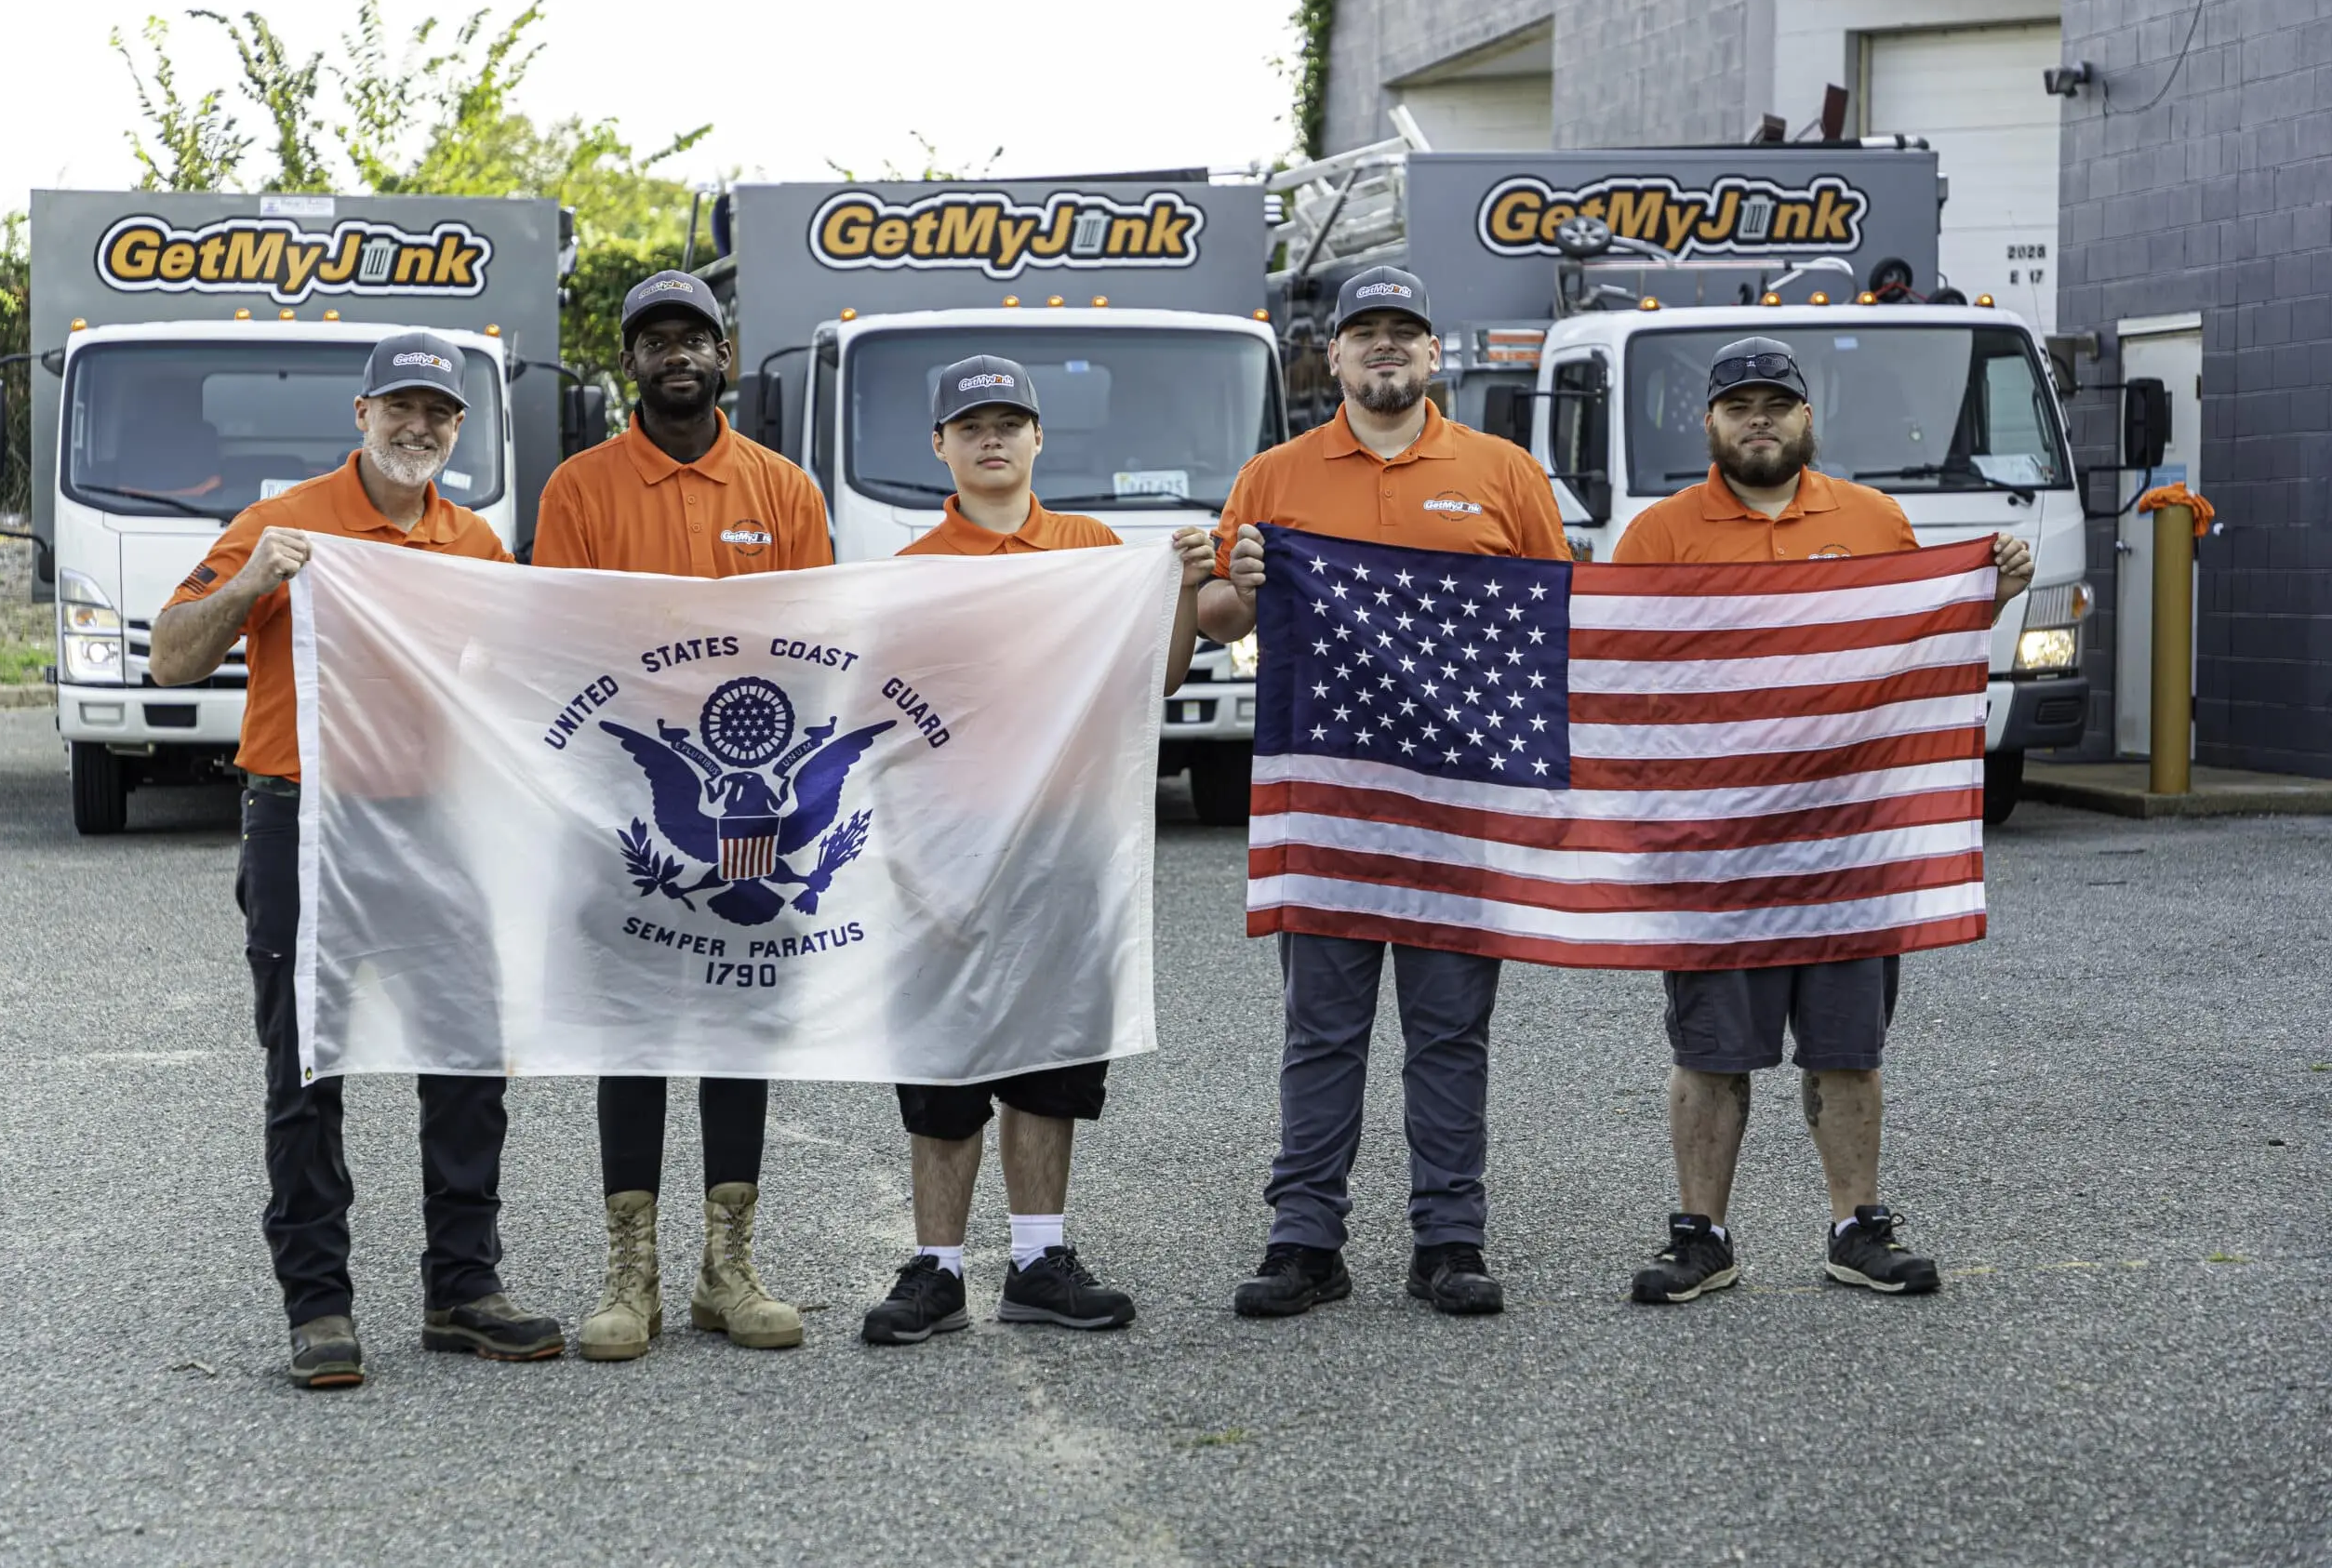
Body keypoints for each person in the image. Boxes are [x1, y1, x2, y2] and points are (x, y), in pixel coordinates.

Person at [149, 331, 563, 1390]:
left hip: (437, 824)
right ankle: (319, 1306)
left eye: (438, 412)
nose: (417, 427)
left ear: (459, 427)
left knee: (469, 1054)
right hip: (305, 820)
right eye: (400, 408)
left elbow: (510, 685)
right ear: (362, 415)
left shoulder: (475, 542)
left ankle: (463, 1287)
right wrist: (251, 580)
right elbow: (173, 651)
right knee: (305, 1063)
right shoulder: (284, 524)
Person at [1610, 335, 2032, 1304]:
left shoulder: (1874, 520)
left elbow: (1915, 652)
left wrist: (1987, 592)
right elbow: (1620, 681)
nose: (1757, 420)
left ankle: (1856, 1227)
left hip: (1850, 841)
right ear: (1707, 423)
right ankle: (1700, 1235)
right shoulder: (1659, 535)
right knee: (1710, 1051)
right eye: (1737, 406)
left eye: (1775, 404)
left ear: (1807, 418)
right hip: (1719, 849)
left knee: (1849, 1049)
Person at [1198, 267, 1574, 1320]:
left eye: (1404, 331)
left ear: (1433, 353)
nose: (1386, 349)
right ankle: (1303, 1240)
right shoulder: (1273, 475)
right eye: (1366, 334)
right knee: (1322, 1031)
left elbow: (1556, 621)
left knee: (1450, 1030)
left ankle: (1448, 1239)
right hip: (1327, 798)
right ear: (1334, 358)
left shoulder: (1503, 472)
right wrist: (1241, 584)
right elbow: (1222, 618)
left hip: (1460, 801)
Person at [860, 353, 1215, 1346]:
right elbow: (876, 734)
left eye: (1009, 421)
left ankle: (1036, 1259)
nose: (991, 437)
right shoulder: (912, 577)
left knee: (1049, 1058)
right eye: (970, 423)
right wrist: (902, 862)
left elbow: (1158, 679)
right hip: (948, 848)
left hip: (1066, 843)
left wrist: (1183, 587)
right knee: (945, 1072)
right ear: (940, 445)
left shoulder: (1093, 551)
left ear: (1037, 439)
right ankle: (933, 1270)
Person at [532, 269, 833, 1362]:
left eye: (693, 339)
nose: (676, 355)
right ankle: (632, 1277)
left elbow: (818, 651)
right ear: (630, 362)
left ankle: (727, 1267)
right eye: (654, 340)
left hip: (755, 811)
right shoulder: (578, 488)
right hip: (624, 810)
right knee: (634, 1030)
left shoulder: (786, 492)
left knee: (735, 1018)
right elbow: (561, 644)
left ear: (724, 356)